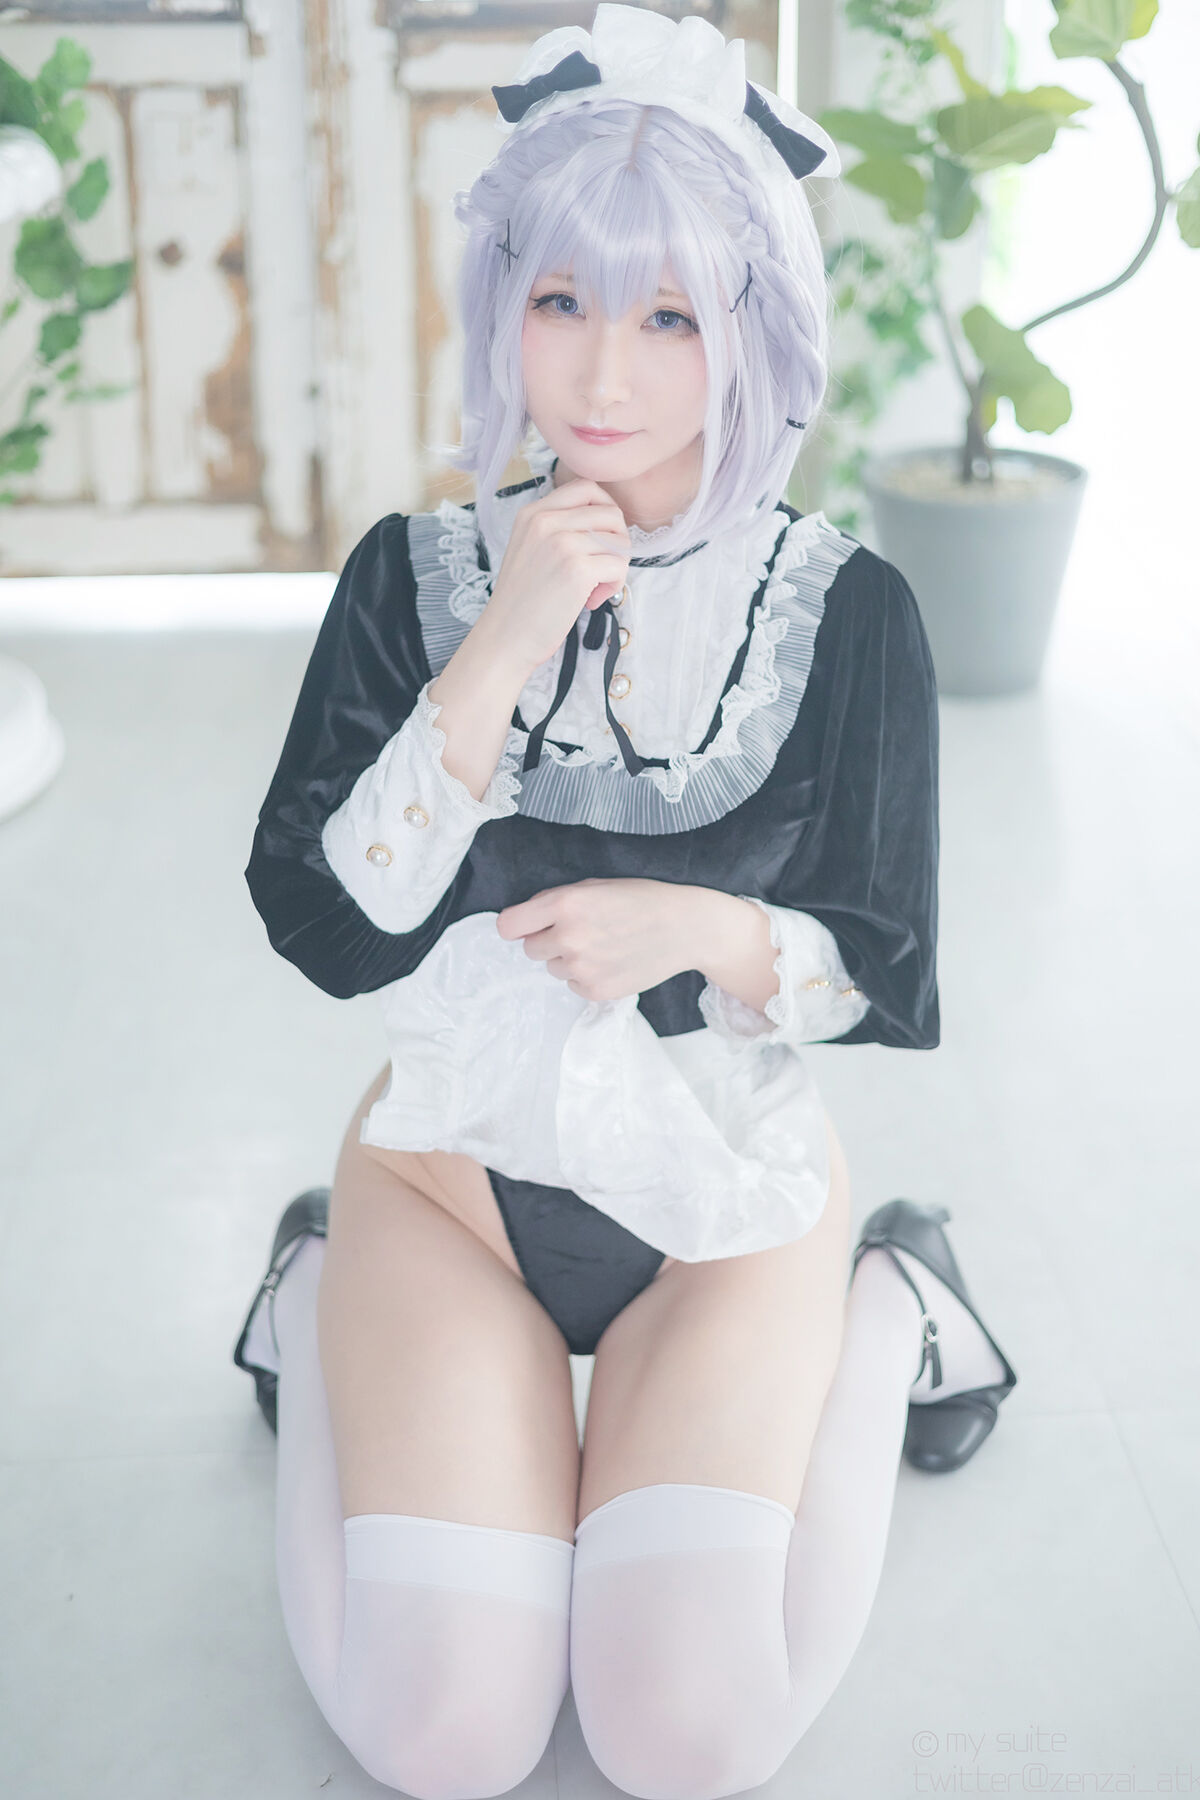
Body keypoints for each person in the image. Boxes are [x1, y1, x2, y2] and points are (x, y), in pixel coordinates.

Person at [231, 7, 1018, 1795]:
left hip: (727, 1193)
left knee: (686, 1740)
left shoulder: (846, 611)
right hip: (448, 1181)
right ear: (504, 301)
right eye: (562, 297)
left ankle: (900, 1301)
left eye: (671, 315)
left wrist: (708, 934)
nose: (605, 367)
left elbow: (889, 966)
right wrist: (498, 648)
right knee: (444, 1742)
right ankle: (313, 1283)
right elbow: (325, 927)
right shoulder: (416, 576)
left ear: (756, 329)